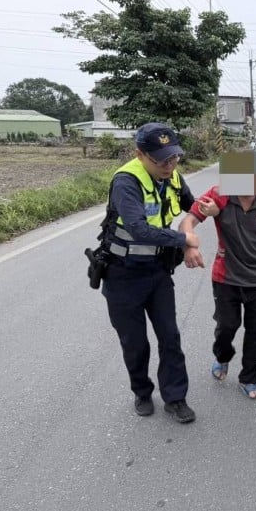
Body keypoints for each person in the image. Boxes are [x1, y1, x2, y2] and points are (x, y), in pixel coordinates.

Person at [99, 122, 201, 423]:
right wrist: (183, 239)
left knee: (170, 337)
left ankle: (176, 398)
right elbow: (139, 229)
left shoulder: (172, 175)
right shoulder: (126, 182)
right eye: (161, 160)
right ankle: (142, 392)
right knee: (135, 343)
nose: (169, 165)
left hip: (157, 272)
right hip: (122, 275)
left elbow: (192, 205)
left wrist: (211, 206)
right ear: (140, 155)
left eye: (174, 157)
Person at [179, 188, 256, 400]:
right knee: (226, 326)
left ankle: (249, 378)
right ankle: (222, 356)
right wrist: (190, 246)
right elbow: (187, 222)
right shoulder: (219, 195)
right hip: (226, 278)